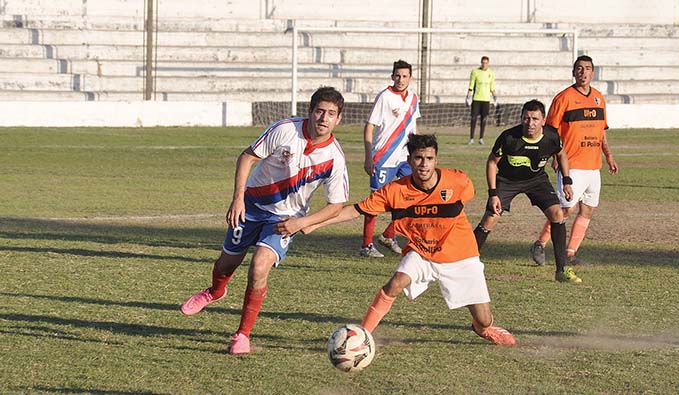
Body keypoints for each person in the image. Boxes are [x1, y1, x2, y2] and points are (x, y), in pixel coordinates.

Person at [179, 86, 349, 355]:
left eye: (330, 114)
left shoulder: (335, 158)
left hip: (284, 219)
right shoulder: (285, 130)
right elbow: (247, 157)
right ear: (310, 111)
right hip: (251, 206)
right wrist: (237, 198)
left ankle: (242, 335)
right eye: (319, 111)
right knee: (227, 262)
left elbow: (336, 205)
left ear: (338, 119)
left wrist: (301, 223)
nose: (323, 118)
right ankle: (215, 291)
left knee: (259, 267)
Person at [304, 134, 515, 345]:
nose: (424, 164)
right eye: (418, 158)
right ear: (409, 160)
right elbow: (354, 210)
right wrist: (314, 223)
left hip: (460, 254)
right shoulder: (395, 191)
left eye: (429, 158)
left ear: (436, 160)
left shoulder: (458, 181)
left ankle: (483, 328)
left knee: (484, 319)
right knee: (394, 284)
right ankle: (361, 337)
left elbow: (469, 196)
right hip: (422, 251)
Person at [472, 100, 582, 284]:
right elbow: (492, 162)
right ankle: (466, 264)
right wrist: (493, 193)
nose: (530, 123)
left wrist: (567, 182)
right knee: (491, 217)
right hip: (507, 180)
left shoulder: (551, 136)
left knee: (557, 214)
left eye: (535, 119)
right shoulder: (509, 137)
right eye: (526, 118)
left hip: (536, 180)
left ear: (543, 120)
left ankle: (561, 270)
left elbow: (561, 154)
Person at [530, 55, 619, 266]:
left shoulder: (598, 98)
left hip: (593, 166)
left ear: (593, 73)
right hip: (571, 164)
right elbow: (550, 132)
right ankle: (540, 244)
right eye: (579, 68)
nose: (583, 72)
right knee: (566, 209)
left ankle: (570, 253)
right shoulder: (564, 98)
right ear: (573, 72)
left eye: (587, 68)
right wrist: (554, 157)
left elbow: (601, 131)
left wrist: (609, 156)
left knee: (588, 209)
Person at [360, 59, 421, 258]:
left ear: (410, 78)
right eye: (397, 75)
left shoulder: (413, 98)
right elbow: (369, 126)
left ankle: (389, 234)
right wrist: (369, 157)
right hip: (384, 157)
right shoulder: (384, 97)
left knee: (414, 195)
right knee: (375, 202)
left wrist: (417, 152)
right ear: (392, 76)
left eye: (404, 76)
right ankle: (366, 245)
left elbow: (413, 126)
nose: (401, 79)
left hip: (405, 158)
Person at [466, 56, 496, 145]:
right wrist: (468, 97)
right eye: (483, 63)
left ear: (488, 63)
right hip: (476, 99)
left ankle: (481, 138)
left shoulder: (491, 73)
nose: (484, 64)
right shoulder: (475, 72)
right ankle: (471, 138)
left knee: (484, 119)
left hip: (486, 100)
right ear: (481, 63)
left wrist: (495, 98)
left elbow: (492, 86)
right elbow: (471, 84)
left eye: (486, 63)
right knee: (474, 118)